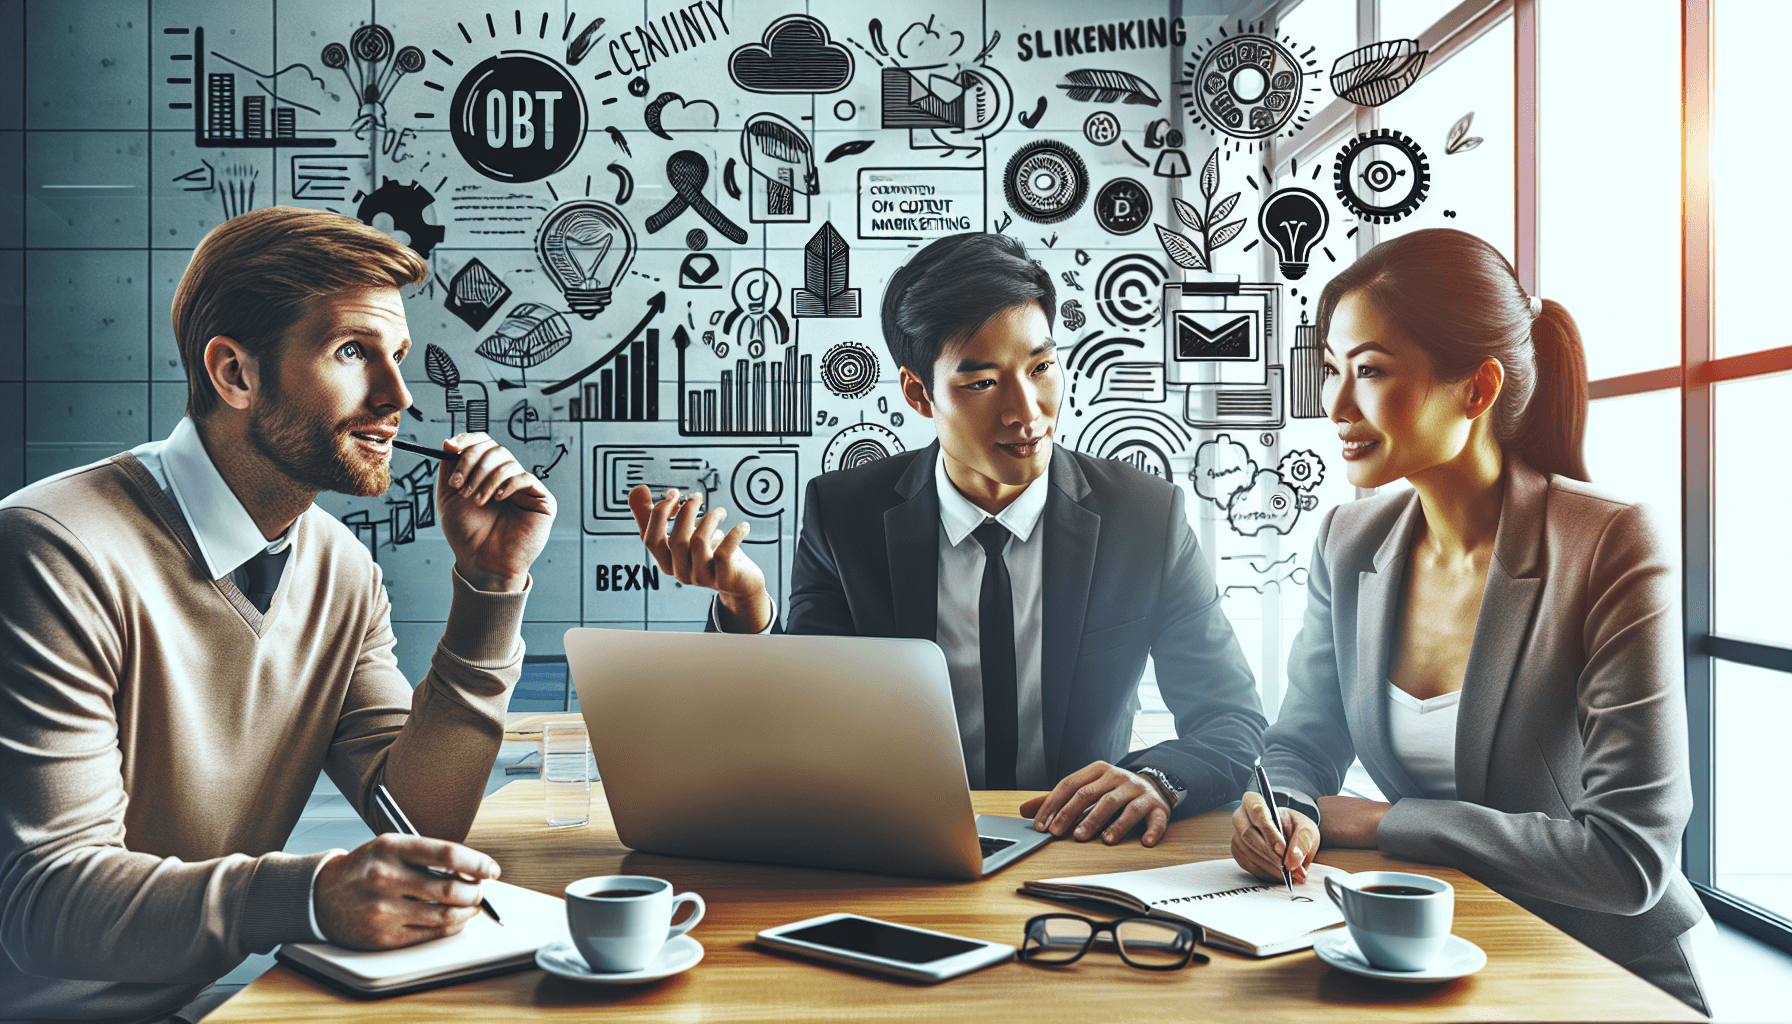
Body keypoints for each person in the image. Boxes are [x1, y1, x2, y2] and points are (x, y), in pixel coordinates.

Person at [0, 207, 556, 1022]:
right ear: (234, 373)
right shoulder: (52, 550)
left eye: (396, 357)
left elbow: (418, 817)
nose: (397, 396)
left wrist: (489, 586)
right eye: (352, 352)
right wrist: (308, 895)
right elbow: (46, 906)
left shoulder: (340, 568)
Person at [630, 232, 1265, 848]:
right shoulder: (844, 514)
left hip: (1077, 847)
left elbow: (1233, 719)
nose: (1028, 411)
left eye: (1042, 367)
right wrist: (747, 608)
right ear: (918, 393)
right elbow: (800, 722)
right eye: (982, 382)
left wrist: (1156, 779)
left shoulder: (1145, 518)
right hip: (895, 849)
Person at [1228, 228, 1707, 1013]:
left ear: (1477, 389)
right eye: (1331, 372)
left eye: (1372, 371)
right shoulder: (1349, 541)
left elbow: (1629, 860)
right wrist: (1285, 809)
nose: (1337, 405)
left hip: (1607, 970)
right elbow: (1301, 741)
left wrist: (1391, 824)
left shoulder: (1611, 544)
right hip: (1424, 952)